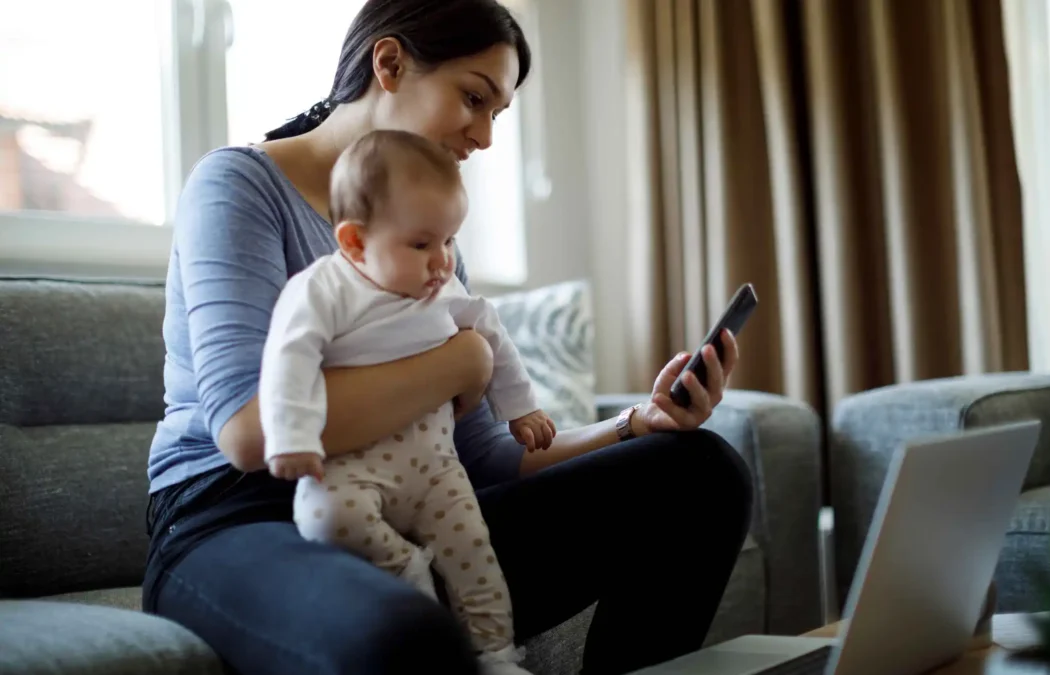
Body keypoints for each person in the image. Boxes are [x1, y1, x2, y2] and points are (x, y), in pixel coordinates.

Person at [142, 1, 753, 674]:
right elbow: (251, 432)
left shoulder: (429, 246)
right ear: (391, 63)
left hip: (408, 500)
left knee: (701, 473)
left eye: (498, 113)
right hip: (238, 520)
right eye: (473, 98)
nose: (485, 136)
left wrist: (636, 423)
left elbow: (487, 458)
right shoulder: (239, 186)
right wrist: (461, 359)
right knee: (405, 630)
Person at [259, 128, 557, 675]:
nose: (442, 261)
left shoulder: (441, 290)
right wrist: (293, 438)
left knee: (475, 554)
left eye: (450, 242)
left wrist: (521, 407)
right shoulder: (323, 290)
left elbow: (489, 330)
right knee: (322, 516)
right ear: (354, 243)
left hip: (436, 468)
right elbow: (288, 359)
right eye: (422, 244)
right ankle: (404, 568)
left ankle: (495, 655)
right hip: (352, 467)